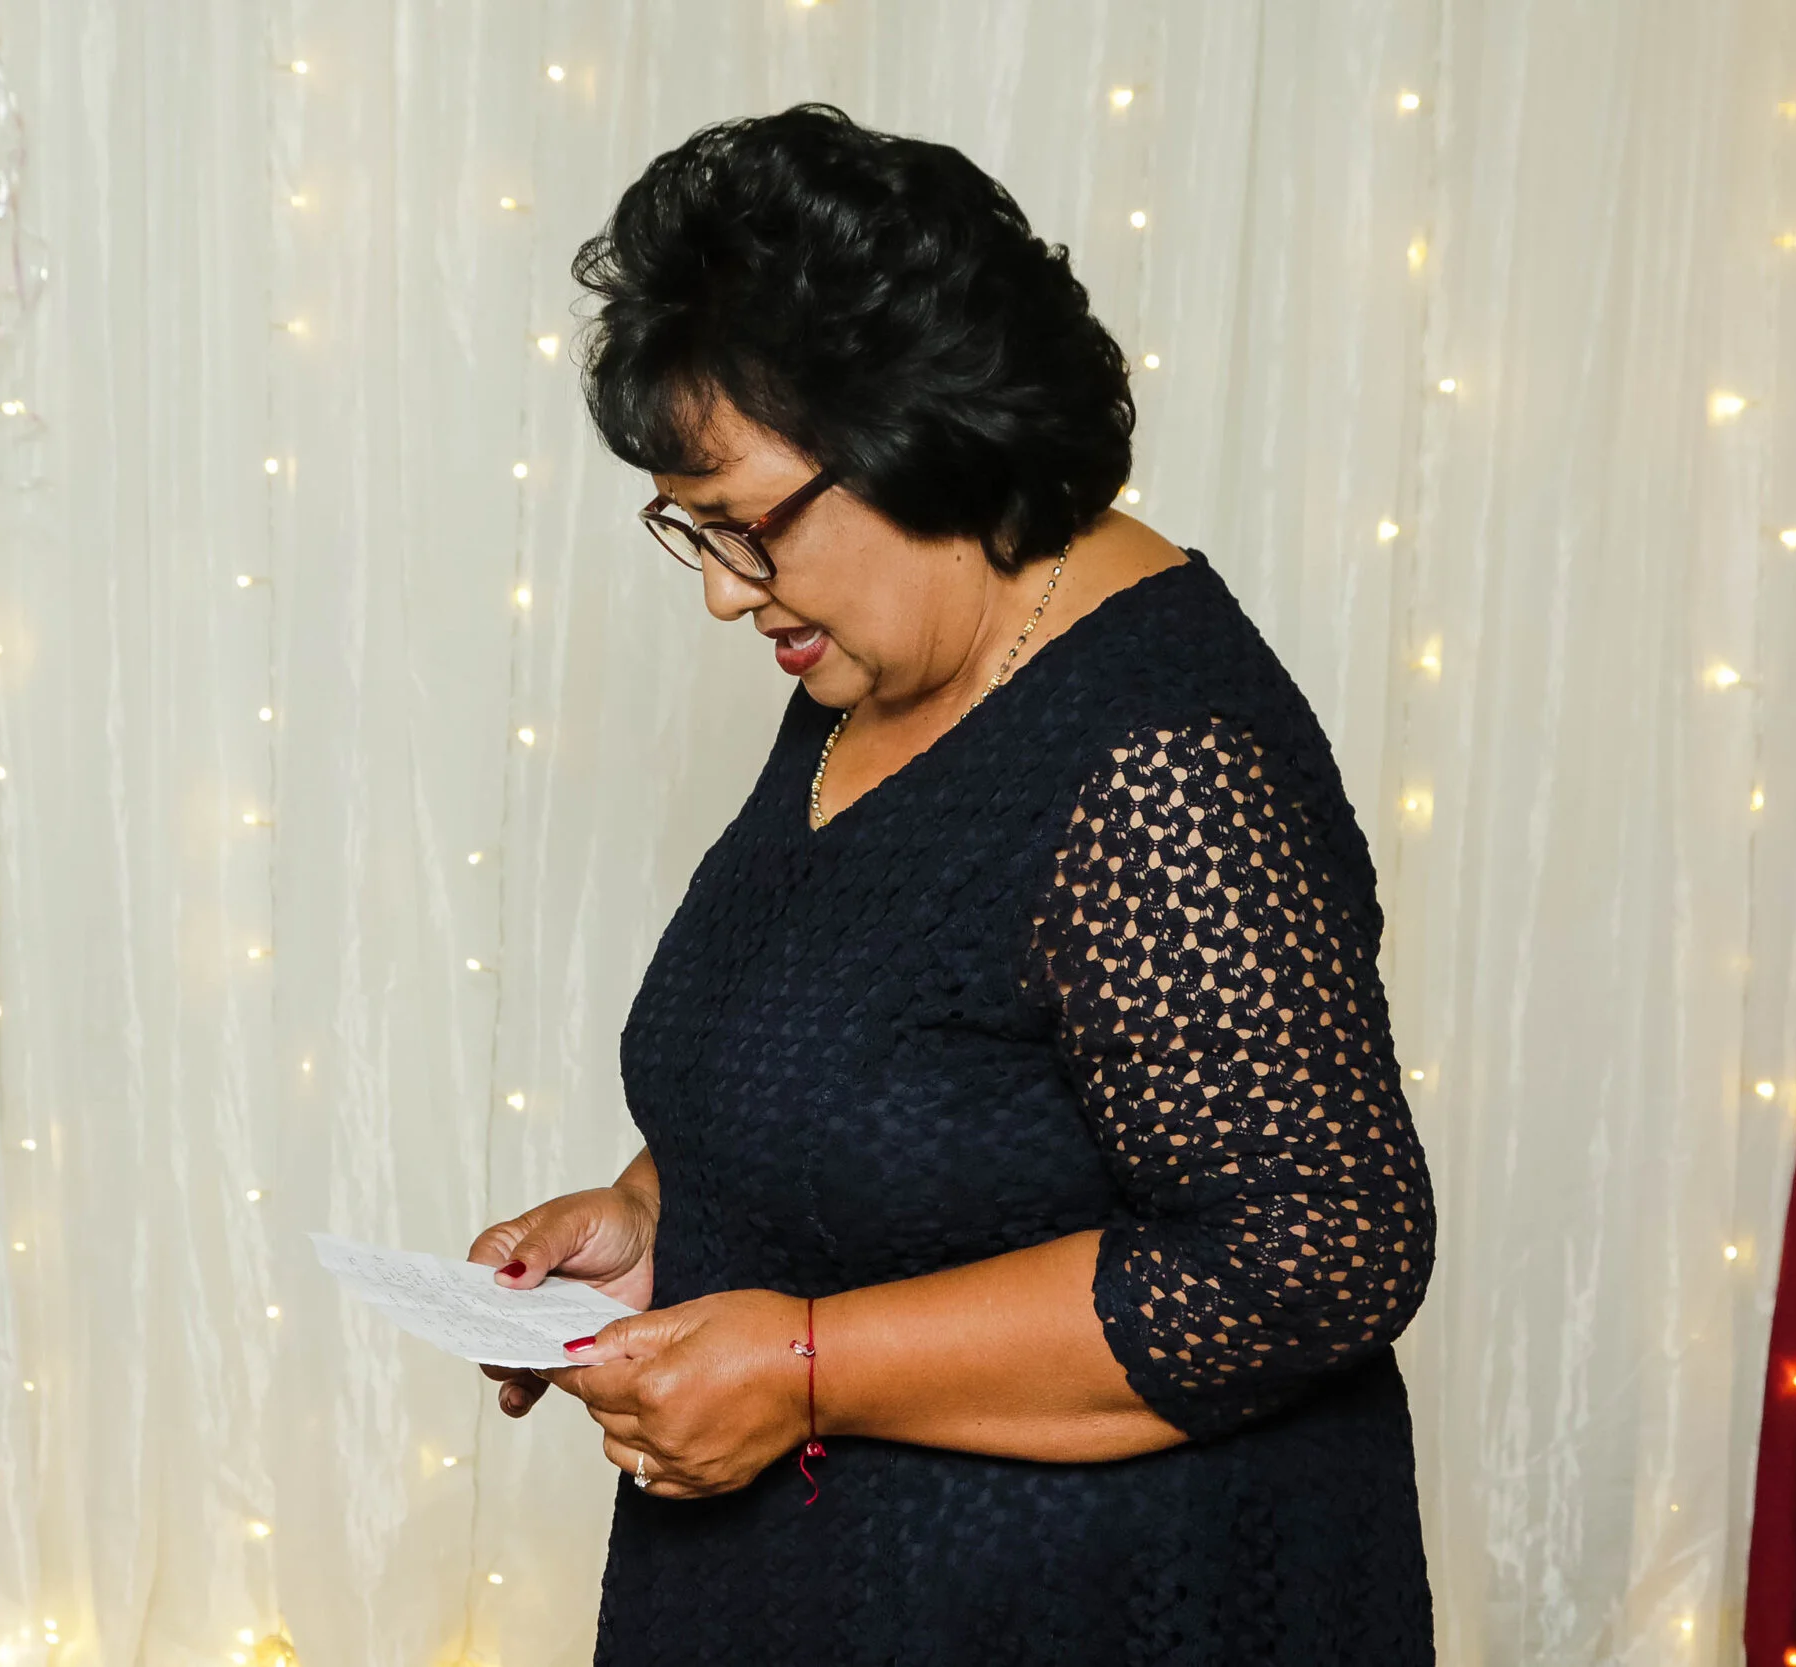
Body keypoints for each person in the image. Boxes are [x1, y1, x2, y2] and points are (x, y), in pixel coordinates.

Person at [465, 102, 1438, 1665]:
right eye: (688, 531)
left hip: (1097, 1608)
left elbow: (1311, 1252)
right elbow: (901, 1069)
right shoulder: (884, 652)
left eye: (745, 526)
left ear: (923, 434)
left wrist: (803, 1360)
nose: (721, 592)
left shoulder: (1161, 756)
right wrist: (659, 1216)